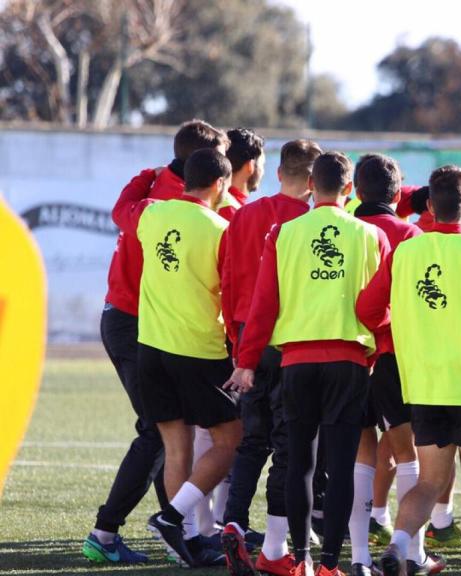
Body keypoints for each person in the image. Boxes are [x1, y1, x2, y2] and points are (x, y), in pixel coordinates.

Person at [225, 151, 390, 576]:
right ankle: (331, 564)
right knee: (337, 467)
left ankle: (300, 560)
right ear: (350, 189)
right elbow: (379, 305)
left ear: (311, 187)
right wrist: (376, 344)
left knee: (299, 461)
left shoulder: (283, 233)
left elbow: (263, 306)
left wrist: (246, 362)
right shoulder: (370, 235)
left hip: (295, 362)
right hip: (348, 361)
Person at [357, 165, 461, 576]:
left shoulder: (405, 251)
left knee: (428, 482)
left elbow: (367, 309)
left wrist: (407, 329)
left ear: (428, 206)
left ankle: (398, 545)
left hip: (424, 384)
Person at [83, 120, 228, 567]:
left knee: (172, 432)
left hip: (137, 322)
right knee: (157, 430)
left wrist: (144, 176)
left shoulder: (149, 198)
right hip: (137, 323)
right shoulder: (189, 211)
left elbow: (120, 208)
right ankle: (106, 531)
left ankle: (184, 532)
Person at [123, 148, 242, 568]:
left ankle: (184, 540)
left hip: (150, 347)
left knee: (178, 448)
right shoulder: (221, 228)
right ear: (222, 184)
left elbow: (126, 212)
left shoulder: (152, 215)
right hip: (196, 348)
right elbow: (230, 292)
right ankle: (173, 518)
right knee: (230, 440)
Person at [220, 139, 321, 576]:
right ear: (315, 182)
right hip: (287, 343)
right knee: (288, 445)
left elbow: (225, 280)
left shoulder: (243, 216)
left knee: (251, 440)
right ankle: (278, 543)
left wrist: (235, 341)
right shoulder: (312, 224)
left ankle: (234, 524)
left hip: (246, 338)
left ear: (279, 173)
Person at [347, 153, 443, 576]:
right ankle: (412, 555)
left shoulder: (345, 227)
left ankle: (358, 559)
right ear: (398, 191)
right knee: (408, 456)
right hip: (392, 355)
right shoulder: (410, 234)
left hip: (346, 355)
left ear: (356, 189)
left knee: (362, 456)